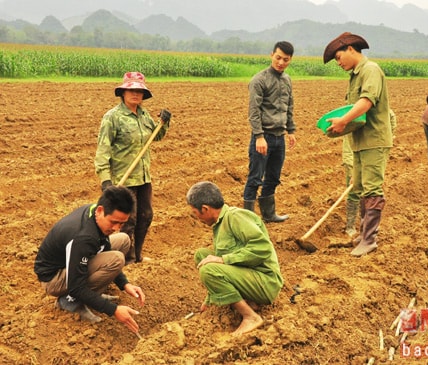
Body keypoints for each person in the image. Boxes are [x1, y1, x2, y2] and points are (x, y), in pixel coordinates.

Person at [34, 186, 145, 334]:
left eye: (121, 223)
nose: (116, 228)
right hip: (54, 278)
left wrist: (125, 284)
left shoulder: (94, 213)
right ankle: (69, 301)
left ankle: (93, 293)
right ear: (100, 211)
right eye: (113, 222)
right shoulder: (84, 237)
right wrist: (113, 310)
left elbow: (103, 248)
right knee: (116, 259)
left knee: (123, 240)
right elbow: (75, 285)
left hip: (73, 262)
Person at [323, 32, 393, 256]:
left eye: (339, 57)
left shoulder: (370, 70)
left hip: (373, 140)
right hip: (360, 142)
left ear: (351, 49)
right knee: (361, 188)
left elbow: (366, 102)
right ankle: (363, 235)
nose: (339, 62)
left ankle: (369, 240)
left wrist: (343, 121)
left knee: (372, 188)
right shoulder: (355, 75)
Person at [187, 181, 284, 336]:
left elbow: (262, 248)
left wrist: (224, 260)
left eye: (195, 213)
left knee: (209, 269)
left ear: (205, 209)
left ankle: (250, 316)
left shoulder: (236, 217)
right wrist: (209, 299)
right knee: (202, 256)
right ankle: (249, 301)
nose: (196, 218)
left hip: (265, 282)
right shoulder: (221, 223)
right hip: (250, 276)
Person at [95, 71, 171, 263]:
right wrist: (106, 181)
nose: (135, 94)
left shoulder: (144, 116)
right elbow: (103, 150)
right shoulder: (112, 117)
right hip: (124, 178)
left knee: (146, 216)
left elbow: (157, 136)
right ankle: (125, 260)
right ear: (123, 93)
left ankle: (137, 255)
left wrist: (164, 122)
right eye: (131, 91)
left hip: (143, 177)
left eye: (139, 91)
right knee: (128, 220)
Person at [243, 41, 297, 223]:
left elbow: (289, 106)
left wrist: (291, 130)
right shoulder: (259, 80)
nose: (281, 62)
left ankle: (268, 214)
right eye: (278, 58)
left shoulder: (287, 80)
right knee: (255, 178)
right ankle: (249, 219)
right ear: (271, 55)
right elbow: (254, 111)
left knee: (273, 177)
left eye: (285, 59)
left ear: (290, 60)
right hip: (263, 136)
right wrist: (259, 136)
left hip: (279, 138)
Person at [342, 109, 396, 237]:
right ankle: (350, 226)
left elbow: (392, 120)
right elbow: (349, 147)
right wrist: (352, 169)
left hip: (372, 153)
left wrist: (387, 138)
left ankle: (365, 228)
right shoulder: (353, 113)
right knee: (354, 190)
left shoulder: (382, 113)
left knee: (369, 191)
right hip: (354, 153)